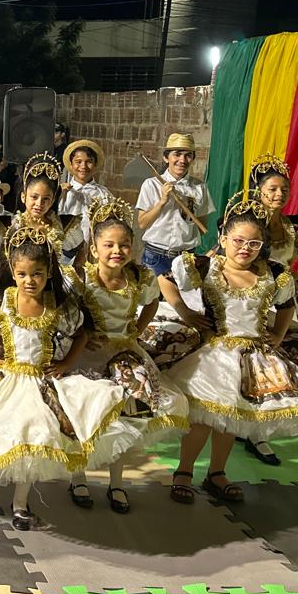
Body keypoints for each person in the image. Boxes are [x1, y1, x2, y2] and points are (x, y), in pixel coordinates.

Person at [0, 226, 125, 530]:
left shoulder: (57, 305)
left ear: (48, 273)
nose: (29, 280)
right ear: (12, 272)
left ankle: (21, 504)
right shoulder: (2, 300)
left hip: (39, 387)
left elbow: (81, 335)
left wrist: (65, 364)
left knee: (35, 441)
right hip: (7, 382)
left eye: (37, 274)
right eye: (22, 274)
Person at [159, 198, 298, 506]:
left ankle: (217, 473)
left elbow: (286, 305)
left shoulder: (273, 273)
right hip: (214, 356)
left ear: (262, 245)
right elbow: (165, 280)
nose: (245, 248)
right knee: (203, 420)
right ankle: (183, 472)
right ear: (223, 239)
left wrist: (278, 333)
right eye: (238, 241)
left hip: (253, 358)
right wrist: (185, 312)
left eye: (253, 243)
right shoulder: (205, 266)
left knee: (232, 419)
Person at [64, 197, 189, 512]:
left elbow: (152, 302)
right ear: (95, 249)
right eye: (108, 245)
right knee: (85, 416)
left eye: (124, 245)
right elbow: (65, 313)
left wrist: (136, 329)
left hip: (125, 354)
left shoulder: (139, 278)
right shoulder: (80, 278)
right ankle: (78, 477)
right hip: (87, 357)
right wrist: (81, 334)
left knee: (126, 418)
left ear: (132, 248)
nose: (116, 251)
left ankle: (116, 482)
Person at [240, 155, 298, 467]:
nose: (278, 195)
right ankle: (244, 423)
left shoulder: (294, 228)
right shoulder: (247, 222)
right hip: (252, 299)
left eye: (284, 190)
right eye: (272, 189)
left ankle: (259, 431)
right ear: (259, 191)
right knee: (250, 365)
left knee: (283, 364)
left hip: (285, 301)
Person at [135, 132, 214, 277]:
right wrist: (162, 202)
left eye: (188, 155)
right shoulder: (151, 184)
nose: (182, 160)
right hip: (156, 257)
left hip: (186, 259)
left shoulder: (200, 187)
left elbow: (202, 227)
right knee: (152, 293)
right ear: (166, 158)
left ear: (193, 159)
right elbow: (142, 223)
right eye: (177, 154)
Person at [15, 155, 86, 263]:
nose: (39, 203)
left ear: (52, 200)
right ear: (23, 197)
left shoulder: (64, 226)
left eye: (46, 199)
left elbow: (82, 253)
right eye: (34, 197)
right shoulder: (11, 225)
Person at [58, 139, 111, 244]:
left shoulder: (104, 194)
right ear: (71, 164)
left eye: (89, 162)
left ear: (95, 164)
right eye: (78, 162)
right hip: (63, 248)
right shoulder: (61, 192)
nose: (83, 166)